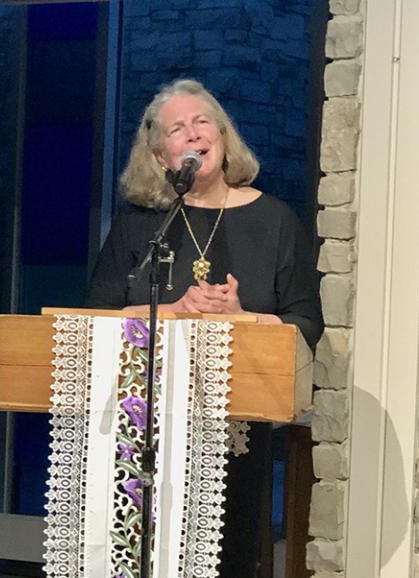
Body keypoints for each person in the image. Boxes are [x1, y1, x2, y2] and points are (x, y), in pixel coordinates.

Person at [87, 79, 324, 577]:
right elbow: (100, 312)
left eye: (202, 121)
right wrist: (175, 309)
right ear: (159, 154)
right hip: (142, 424)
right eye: (177, 129)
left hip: (234, 426)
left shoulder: (276, 220)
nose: (194, 134)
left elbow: (307, 322)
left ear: (222, 133)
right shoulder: (140, 224)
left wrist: (240, 319)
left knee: (228, 556)